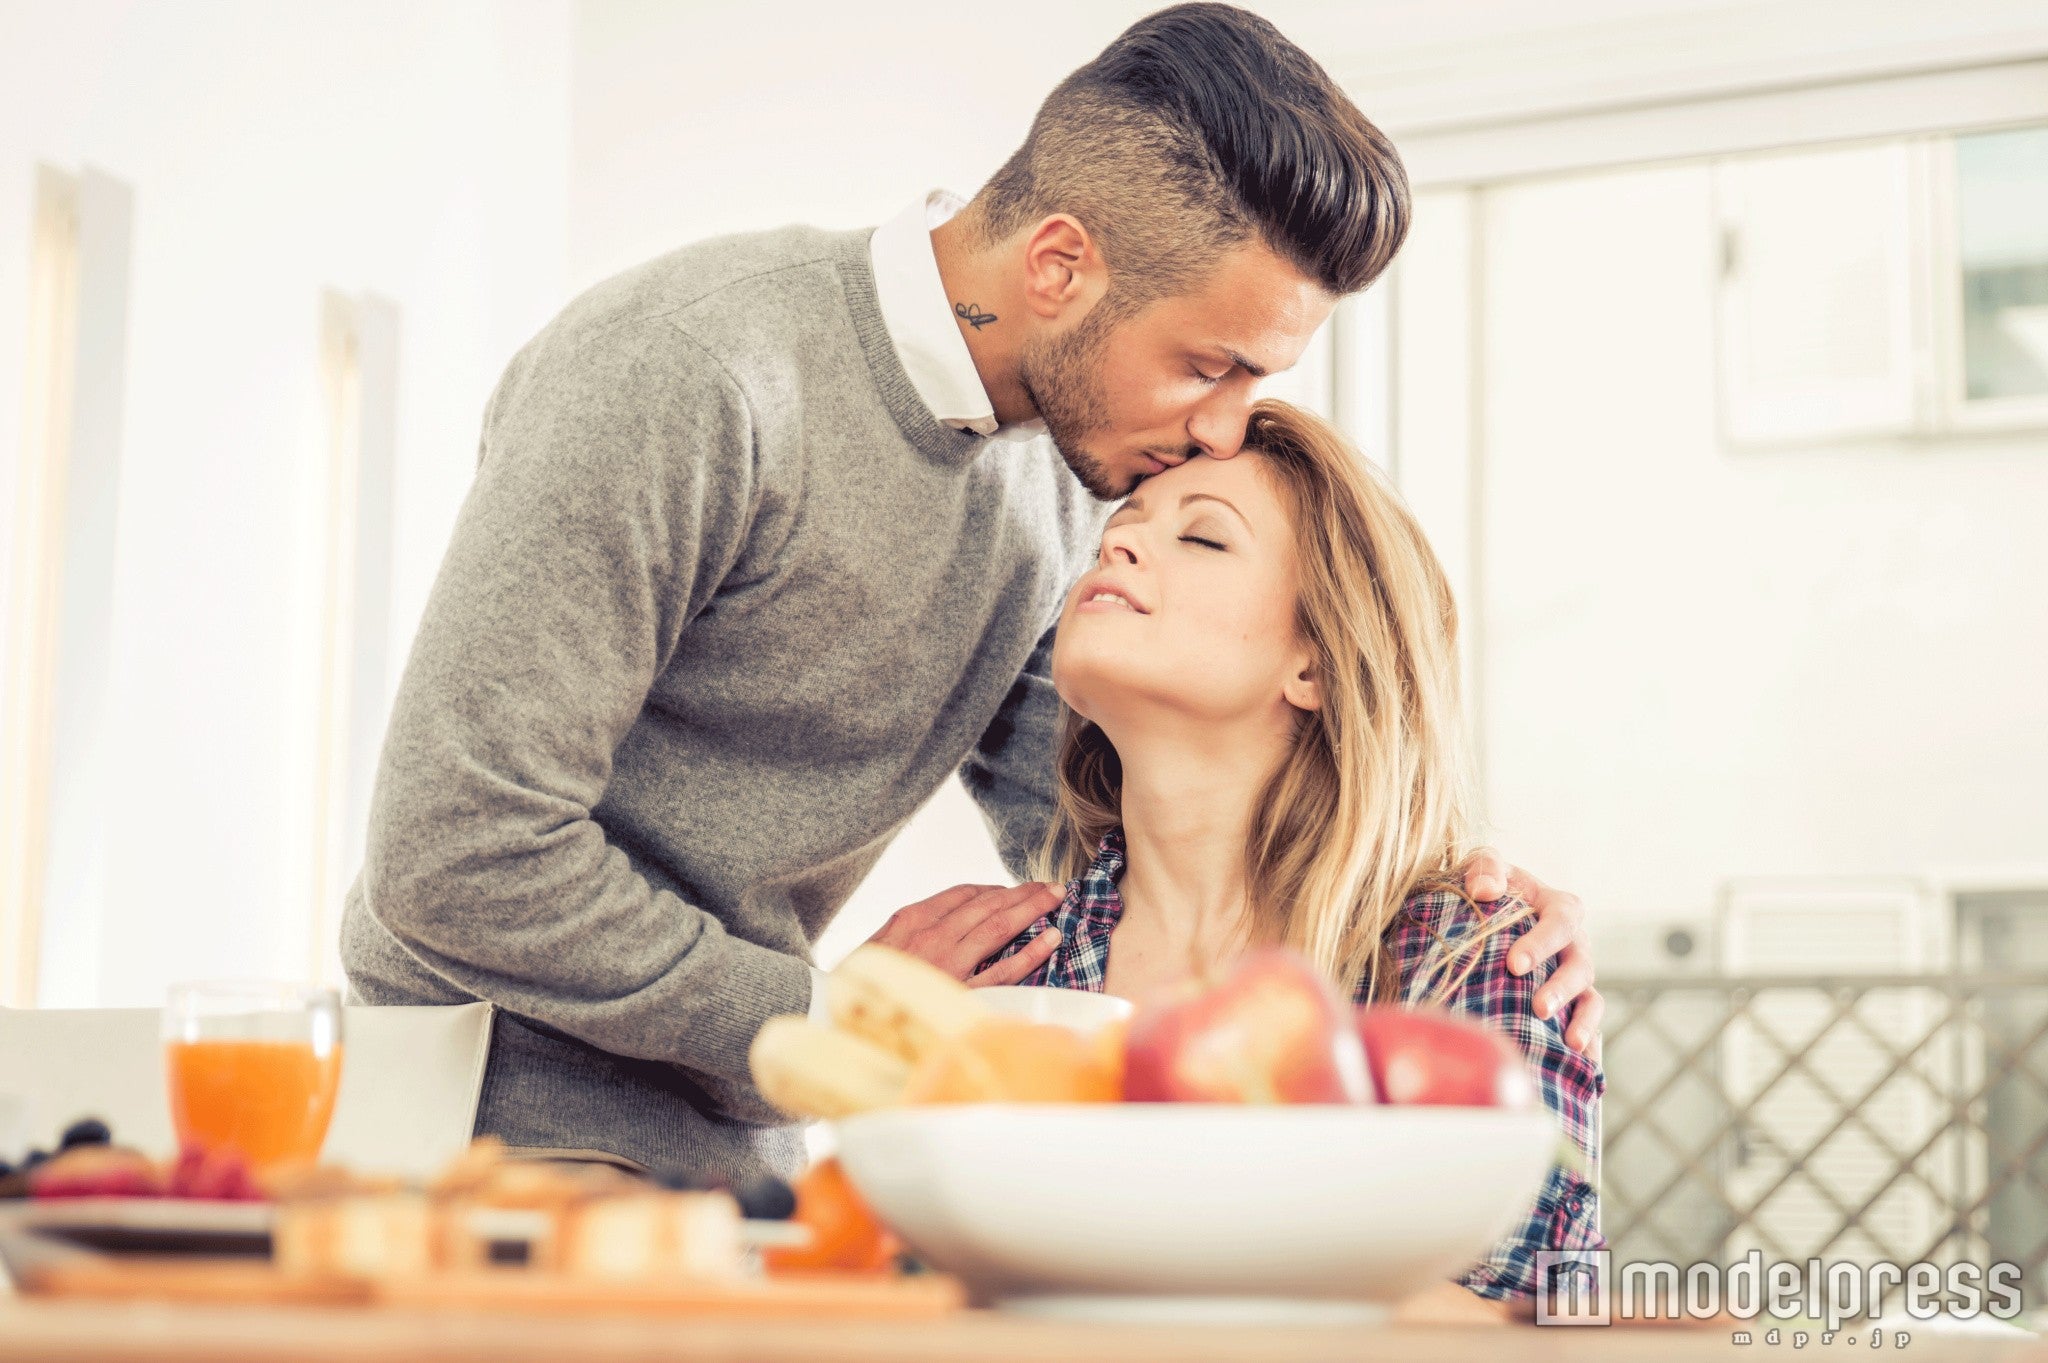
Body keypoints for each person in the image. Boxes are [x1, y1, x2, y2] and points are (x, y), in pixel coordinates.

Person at [341, 3, 1600, 1185]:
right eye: (1207, 365)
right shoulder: (691, 373)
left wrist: (1454, 904)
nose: (1226, 431)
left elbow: (1113, 845)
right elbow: (453, 852)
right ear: (1059, 265)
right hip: (491, 1146)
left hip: (744, 1149)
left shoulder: (1073, 480)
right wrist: (826, 1019)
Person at [981, 399, 1603, 1315]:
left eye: (1204, 540)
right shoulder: (1015, 970)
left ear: (1312, 663)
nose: (1116, 548)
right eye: (1124, 528)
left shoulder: (1475, 958)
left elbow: (1525, 1321)